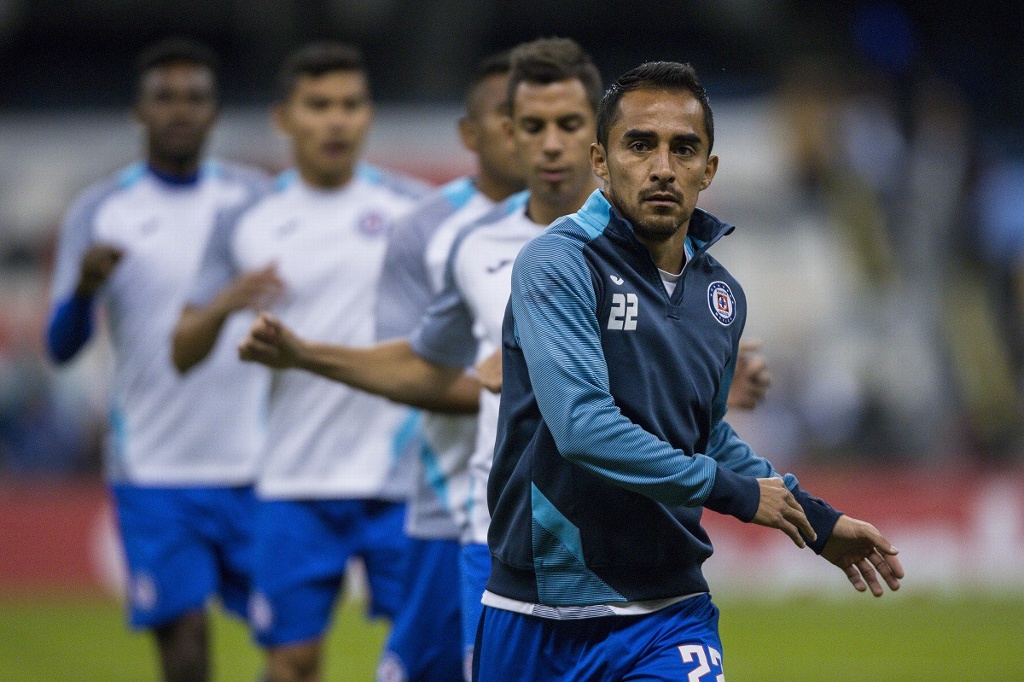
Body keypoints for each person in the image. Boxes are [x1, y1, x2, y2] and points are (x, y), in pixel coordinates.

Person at [237, 40, 773, 677]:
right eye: (533, 126)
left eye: (569, 124)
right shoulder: (466, 244)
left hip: (636, 548)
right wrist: (308, 356)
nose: (552, 145)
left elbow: (657, 385)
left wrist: (702, 381)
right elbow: (426, 366)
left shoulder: (658, 254)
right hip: (497, 533)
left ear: (595, 140)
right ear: (506, 133)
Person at [474, 61, 904, 681]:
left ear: (709, 169)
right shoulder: (558, 263)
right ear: (601, 159)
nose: (662, 168)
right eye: (640, 144)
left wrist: (816, 521)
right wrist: (736, 494)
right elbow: (580, 427)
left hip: (668, 610)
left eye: (684, 148)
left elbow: (702, 434)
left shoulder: (720, 296)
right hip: (539, 607)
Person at [172, 42, 430, 682]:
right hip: (293, 479)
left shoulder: (416, 212)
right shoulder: (247, 218)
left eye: (351, 104)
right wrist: (225, 302)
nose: (337, 120)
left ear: (369, 115)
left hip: (402, 481)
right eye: (319, 106)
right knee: (291, 662)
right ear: (284, 118)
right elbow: (182, 347)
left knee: (429, 658)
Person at [44, 38, 271, 682]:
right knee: (185, 649)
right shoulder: (102, 209)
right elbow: (61, 348)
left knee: (291, 649)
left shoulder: (254, 200)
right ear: (137, 113)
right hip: (154, 469)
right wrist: (86, 287)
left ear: (215, 112)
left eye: (195, 97)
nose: (180, 111)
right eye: (164, 97)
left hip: (257, 464)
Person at [373, 50, 526, 682]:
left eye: (546, 120)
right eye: (508, 117)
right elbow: (409, 370)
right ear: (470, 133)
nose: (527, 135)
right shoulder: (427, 232)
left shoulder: (601, 230)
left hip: (565, 503)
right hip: (453, 497)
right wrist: (519, 392)